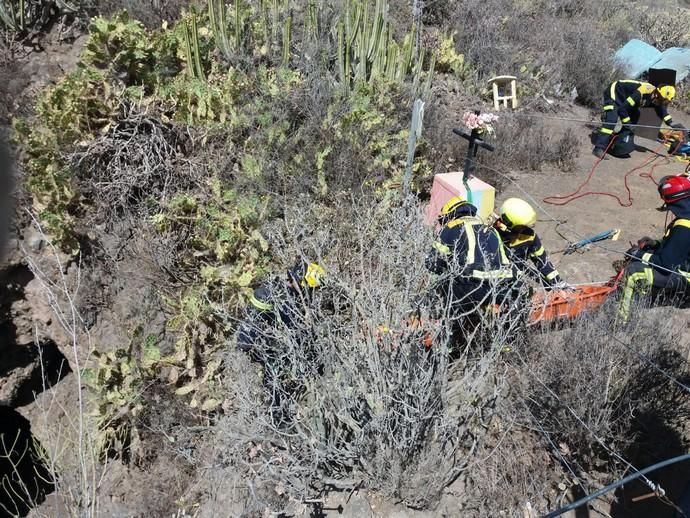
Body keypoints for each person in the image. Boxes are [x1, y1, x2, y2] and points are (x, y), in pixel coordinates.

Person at [426, 195, 515, 317]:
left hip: (474, 289)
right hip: (502, 287)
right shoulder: (488, 227)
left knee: (445, 284)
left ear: (449, 215)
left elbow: (433, 264)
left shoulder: (451, 227)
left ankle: (451, 327)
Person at [618, 175, 690, 322]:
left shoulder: (684, 225)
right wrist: (655, 244)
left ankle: (621, 321)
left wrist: (639, 254)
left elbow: (666, 264)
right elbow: (679, 246)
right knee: (650, 254)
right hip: (684, 264)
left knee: (633, 272)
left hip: (686, 277)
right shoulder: (686, 216)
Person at [236, 260, 326, 355]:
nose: (312, 293)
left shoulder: (278, 289)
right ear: (303, 285)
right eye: (311, 289)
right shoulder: (281, 299)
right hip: (259, 352)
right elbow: (295, 333)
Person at [593, 81, 683, 159]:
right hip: (615, 92)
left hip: (626, 99)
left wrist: (671, 123)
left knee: (635, 118)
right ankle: (598, 148)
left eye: (664, 101)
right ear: (656, 94)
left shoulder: (657, 97)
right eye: (662, 100)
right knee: (611, 120)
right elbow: (622, 109)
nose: (661, 103)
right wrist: (627, 123)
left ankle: (616, 143)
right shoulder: (641, 92)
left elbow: (661, 110)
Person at [494, 197, 570, 290]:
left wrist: (557, 281)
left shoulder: (529, 236)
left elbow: (542, 261)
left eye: (525, 227)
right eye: (520, 227)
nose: (523, 230)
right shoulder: (491, 235)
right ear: (507, 222)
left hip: (517, 277)